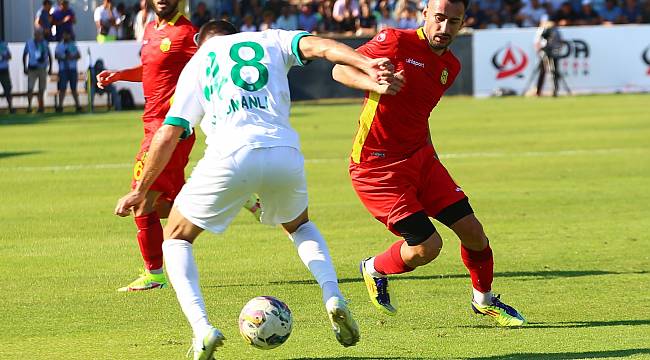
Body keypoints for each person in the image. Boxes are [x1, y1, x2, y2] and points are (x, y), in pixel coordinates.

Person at [114, 20, 400, 360]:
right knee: (300, 227)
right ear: (237, 34)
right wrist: (366, 63)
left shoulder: (198, 63)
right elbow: (323, 46)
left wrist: (140, 189)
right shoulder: (271, 39)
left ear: (198, 42)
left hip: (229, 155)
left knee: (176, 237)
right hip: (283, 151)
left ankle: (202, 328)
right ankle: (333, 295)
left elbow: (168, 133)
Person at [332, 0, 527, 327]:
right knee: (427, 247)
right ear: (424, 15)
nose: (445, 28)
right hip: (376, 168)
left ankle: (484, 300)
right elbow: (339, 69)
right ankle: (374, 268)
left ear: (462, 22)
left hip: (421, 159)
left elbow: (419, 116)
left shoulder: (451, 66)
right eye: (439, 18)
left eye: (454, 21)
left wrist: (431, 157)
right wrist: (373, 82)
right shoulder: (395, 41)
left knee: (474, 234)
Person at [97, 0, 258, 292]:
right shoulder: (149, 28)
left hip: (171, 128)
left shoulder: (187, 33)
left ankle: (154, 274)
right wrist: (120, 75)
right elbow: (150, 70)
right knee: (160, 205)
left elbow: (216, 66)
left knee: (141, 198)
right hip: (151, 124)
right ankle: (232, 195)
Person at [23, 29, 52, 114]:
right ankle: (29, 106)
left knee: (41, 89)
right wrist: (24, 67)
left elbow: (49, 55)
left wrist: (50, 68)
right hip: (32, 68)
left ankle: (41, 106)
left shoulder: (45, 43)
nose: (39, 36)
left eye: (40, 34)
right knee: (30, 88)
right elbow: (24, 55)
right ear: (34, 35)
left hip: (42, 68)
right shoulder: (29, 43)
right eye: (37, 34)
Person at [54, 30, 81, 112]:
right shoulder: (59, 45)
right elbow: (56, 55)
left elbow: (78, 55)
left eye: (67, 35)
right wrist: (63, 57)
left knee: (74, 88)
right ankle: (60, 106)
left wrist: (71, 57)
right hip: (63, 69)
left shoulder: (73, 45)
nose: (66, 36)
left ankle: (77, 105)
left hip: (72, 69)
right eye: (65, 35)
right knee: (62, 88)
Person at [535, 20, 563, 96]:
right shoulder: (541, 30)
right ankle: (538, 91)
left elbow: (560, 42)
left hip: (553, 53)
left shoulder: (555, 31)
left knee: (554, 72)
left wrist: (555, 50)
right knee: (542, 72)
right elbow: (537, 43)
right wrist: (541, 51)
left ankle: (555, 90)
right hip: (544, 53)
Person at [0, 39, 15, 114]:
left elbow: (9, 56)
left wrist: (4, 56)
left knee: (8, 89)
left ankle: (10, 108)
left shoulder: (3, 45)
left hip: (4, 70)